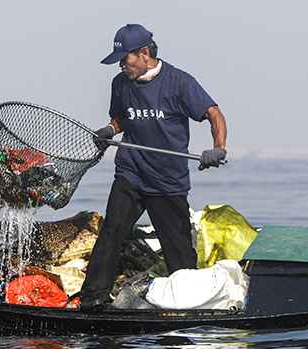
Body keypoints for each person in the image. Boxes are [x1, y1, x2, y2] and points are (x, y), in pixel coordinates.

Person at [79, 23, 228, 311]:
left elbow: (214, 113)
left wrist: (218, 147)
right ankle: (92, 300)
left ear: (145, 53)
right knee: (112, 230)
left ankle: (188, 302)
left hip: (167, 180)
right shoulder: (120, 84)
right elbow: (123, 118)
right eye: (119, 60)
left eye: (126, 59)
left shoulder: (179, 82)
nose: (122, 65)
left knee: (179, 252)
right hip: (131, 171)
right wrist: (110, 129)